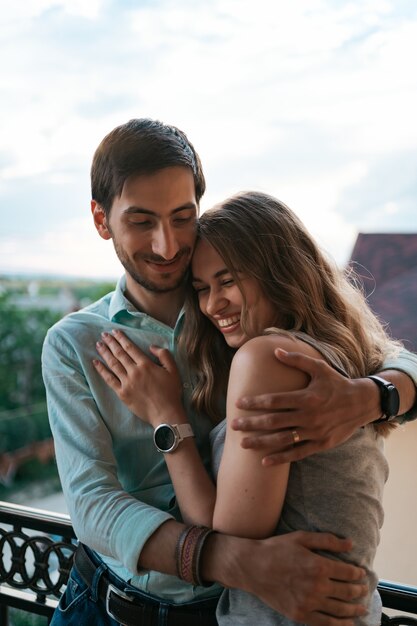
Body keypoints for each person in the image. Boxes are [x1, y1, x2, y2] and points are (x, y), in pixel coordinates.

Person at [42, 118, 417, 626]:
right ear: (101, 219)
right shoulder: (75, 343)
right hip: (111, 608)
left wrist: (372, 396)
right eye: (141, 221)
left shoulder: (242, 325)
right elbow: (90, 504)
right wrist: (241, 564)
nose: (167, 245)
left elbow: (394, 354)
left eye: (181, 217)